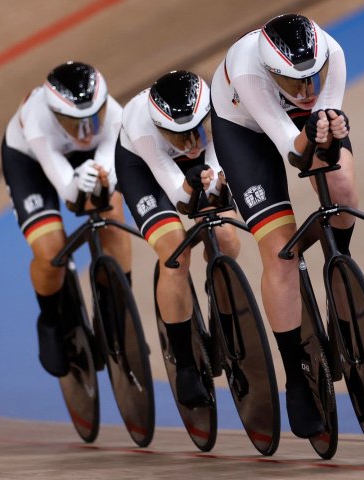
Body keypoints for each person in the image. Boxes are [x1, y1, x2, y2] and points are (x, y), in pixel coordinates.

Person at [210, 13, 355, 437]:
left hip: (301, 126)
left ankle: (339, 270)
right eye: (296, 82)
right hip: (247, 131)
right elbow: (293, 152)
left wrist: (330, 130)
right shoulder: (248, 73)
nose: (309, 89)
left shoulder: (334, 54)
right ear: (274, 72)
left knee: (343, 187)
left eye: (314, 77)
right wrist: (313, 132)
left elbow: (325, 129)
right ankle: (296, 375)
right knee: (278, 252)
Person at [115, 70, 240, 408]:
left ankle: (225, 321)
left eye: (197, 131)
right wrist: (192, 183)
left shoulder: (218, 105)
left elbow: (216, 166)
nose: (190, 144)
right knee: (174, 254)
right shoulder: (141, 127)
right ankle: (185, 363)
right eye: (178, 134)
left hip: (195, 168)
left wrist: (212, 180)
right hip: (145, 172)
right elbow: (180, 199)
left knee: (226, 237)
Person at [1, 61, 131, 377]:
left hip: (87, 161)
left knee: (112, 219)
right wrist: (78, 183)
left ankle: (118, 308)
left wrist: (99, 180)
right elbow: (70, 196)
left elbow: (107, 180)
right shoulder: (37, 121)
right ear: (57, 116)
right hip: (31, 164)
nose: (86, 132)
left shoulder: (114, 114)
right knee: (50, 253)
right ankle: (50, 320)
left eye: (93, 118)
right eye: (75, 123)